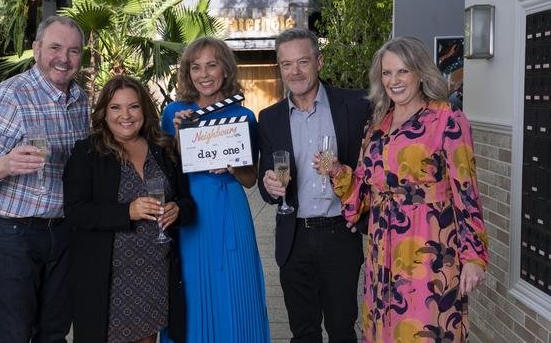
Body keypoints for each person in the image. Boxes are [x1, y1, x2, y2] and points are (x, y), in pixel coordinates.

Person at [327, 36, 489, 342]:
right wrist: (338, 172)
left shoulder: (446, 118)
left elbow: (467, 192)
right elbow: (361, 195)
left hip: (429, 250)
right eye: (387, 73)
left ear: (420, 72)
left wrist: (474, 257)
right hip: (381, 253)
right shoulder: (377, 124)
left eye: (402, 71)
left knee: (424, 330)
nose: (394, 80)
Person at [0, 15, 89, 342]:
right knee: (14, 333)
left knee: (54, 331)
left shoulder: (80, 100)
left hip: (62, 232)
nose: (64, 58)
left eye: (73, 51)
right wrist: (4, 164)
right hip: (11, 234)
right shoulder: (11, 97)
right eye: (55, 48)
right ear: (36, 49)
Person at [257, 27, 370, 343]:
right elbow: (268, 186)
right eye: (286, 64)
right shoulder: (269, 118)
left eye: (303, 61)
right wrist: (269, 185)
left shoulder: (356, 104)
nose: (295, 71)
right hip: (295, 238)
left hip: (340, 234)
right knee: (303, 333)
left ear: (318, 61)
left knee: (342, 330)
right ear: (279, 68)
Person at [63, 75, 193, 343]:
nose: (126, 115)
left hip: (155, 273)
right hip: (110, 278)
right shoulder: (87, 153)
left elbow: (187, 201)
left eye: (133, 106)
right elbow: (75, 212)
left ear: (144, 110)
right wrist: (127, 212)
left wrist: (177, 210)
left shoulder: (164, 148)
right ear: (103, 113)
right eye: (115, 107)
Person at [159, 37, 270, 343]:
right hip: (189, 211)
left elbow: (250, 179)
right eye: (196, 67)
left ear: (225, 69)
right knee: (193, 288)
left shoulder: (244, 116)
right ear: (187, 72)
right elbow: (168, 170)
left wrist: (234, 166)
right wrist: (180, 134)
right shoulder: (174, 113)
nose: (204, 73)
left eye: (211, 64)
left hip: (229, 207)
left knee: (236, 286)